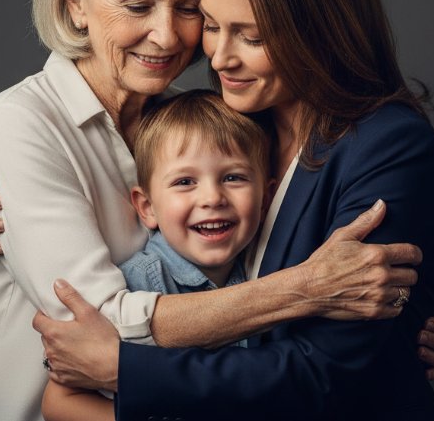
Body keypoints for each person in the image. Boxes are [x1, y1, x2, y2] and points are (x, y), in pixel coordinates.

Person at [0, 0, 434, 421]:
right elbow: (101, 319)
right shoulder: (23, 119)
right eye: (138, 5)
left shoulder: (204, 119)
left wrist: (404, 326)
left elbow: (306, 331)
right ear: (75, 0)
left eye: (189, 10)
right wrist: (306, 290)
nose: (170, 37)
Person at [42, 89, 274, 421]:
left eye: (232, 177)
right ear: (148, 208)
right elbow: (58, 402)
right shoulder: (134, 286)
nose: (212, 197)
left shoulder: (263, 267)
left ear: (265, 200)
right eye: (185, 182)